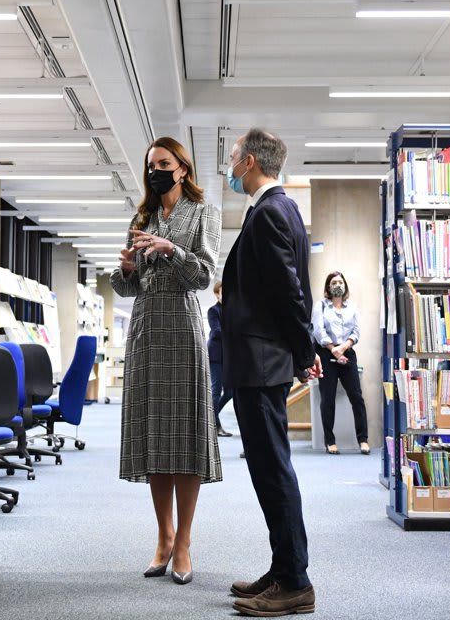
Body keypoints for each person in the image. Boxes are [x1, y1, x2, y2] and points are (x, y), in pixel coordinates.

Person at [111, 136, 222, 586]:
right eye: (150, 164)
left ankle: (184, 542)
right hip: (146, 328)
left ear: (182, 168)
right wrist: (128, 270)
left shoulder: (203, 213)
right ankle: (163, 534)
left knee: (184, 436)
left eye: (164, 162)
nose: (156, 170)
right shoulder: (141, 217)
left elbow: (204, 274)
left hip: (182, 322)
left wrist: (170, 249)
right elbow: (125, 289)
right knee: (156, 433)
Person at [220, 128, 320, 617]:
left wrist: (305, 352)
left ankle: (295, 581)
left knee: (274, 470)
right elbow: (287, 287)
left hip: (262, 364)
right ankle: (283, 569)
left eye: (234, 156)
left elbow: (289, 293)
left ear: (251, 160)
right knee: (267, 469)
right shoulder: (277, 209)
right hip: (262, 359)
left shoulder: (269, 213)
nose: (231, 163)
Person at [312, 272, 369, 455]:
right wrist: (333, 349)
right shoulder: (320, 306)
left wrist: (343, 348)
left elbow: (356, 331)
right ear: (328, 287)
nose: (337, 284)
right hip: (327, 354)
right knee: (327, 399)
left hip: (347, 353)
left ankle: (363, 440)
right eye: (334, 282)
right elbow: (318, 331)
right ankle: (330, 441)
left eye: (340, 282)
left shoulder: (351, 308)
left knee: (357, 397)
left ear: (345, 285)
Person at [207, 281, 232, 437]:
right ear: (217, 294)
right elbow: (216, 332)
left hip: (229, 355)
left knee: (230, 392)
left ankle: (210, 418)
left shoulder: (233, 310)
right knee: (216, 390)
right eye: (223, 292)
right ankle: (215, 425)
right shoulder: (213, 310)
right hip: (216, 354)